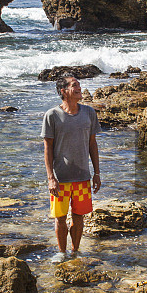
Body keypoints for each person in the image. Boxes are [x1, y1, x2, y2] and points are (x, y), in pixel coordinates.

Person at [41, 75, 101, 263]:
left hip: (83, 177)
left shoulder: (89, 113)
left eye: (79, 85)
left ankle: (75, 252)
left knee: (79, 217)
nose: (79, 88)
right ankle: (61, 252)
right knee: (59, 218)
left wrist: (97, 173)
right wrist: (50, 177)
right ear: (63, 92)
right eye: (74, 86)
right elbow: (47, 148)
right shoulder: (52, 115)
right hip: (61, 179)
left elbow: (93, 144)